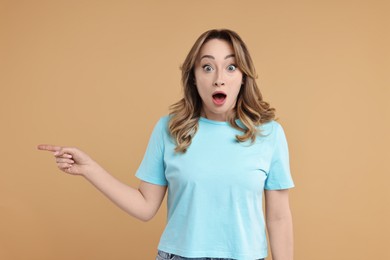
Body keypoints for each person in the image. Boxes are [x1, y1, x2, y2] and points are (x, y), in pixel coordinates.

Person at [38, 29, 294, 260]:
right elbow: (145, 206)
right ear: (193, 77)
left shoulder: (269, 134)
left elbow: (279, 217)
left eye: (230, 67)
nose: (219, 79)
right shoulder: (169, 129)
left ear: (243, 77)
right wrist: (89, 169)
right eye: (207, 67)